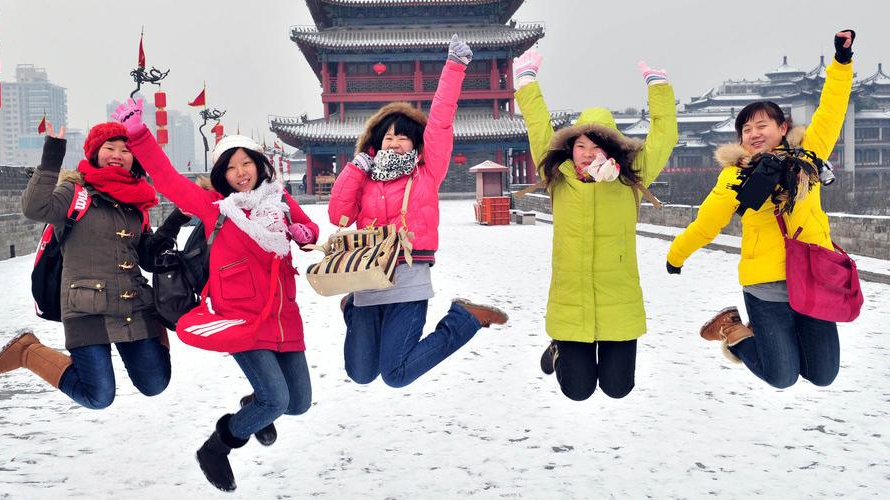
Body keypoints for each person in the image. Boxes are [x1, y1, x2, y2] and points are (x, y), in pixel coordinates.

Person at [116, 98, 318, 492]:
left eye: (247, 163)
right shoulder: (216, 208)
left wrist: (304, 233)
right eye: (231, 166)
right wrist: (139, 135)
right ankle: (217, 446)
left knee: (297, 403)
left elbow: (308, 229)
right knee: (275, 400)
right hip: (240, 317)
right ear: (222, 174)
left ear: (261, 166)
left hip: (282, 314)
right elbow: (169, 180)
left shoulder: (280, 201)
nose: (241, 173)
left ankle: (253, 407)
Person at [667, 30, 857, 389]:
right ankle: (735, 332)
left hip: (814, 277)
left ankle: (778, 342)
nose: (753, 133)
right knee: (782, 377)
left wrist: (841, 63)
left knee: (822, 375)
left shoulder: (809, 155)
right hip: (766, 285)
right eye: (745, 129)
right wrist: (677, 255)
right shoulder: (734, 175)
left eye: (762, 125)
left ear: (783, 128)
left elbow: (832, 110)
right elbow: (707, 223)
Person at [328, 35, 509, 390]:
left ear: (415, 143)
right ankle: (351, 307)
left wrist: (454, 67)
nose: (394, 144)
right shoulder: (362, 175)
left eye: (403, 138)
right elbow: (339, 215)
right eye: (387, 138)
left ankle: (464, 319)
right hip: (366, 277)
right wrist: (355, 168)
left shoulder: (425, 173)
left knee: (396, 374)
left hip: (409, 277)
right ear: (375, 142)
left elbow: (440, 122)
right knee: (361, 373)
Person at [513, 48, 678, 400]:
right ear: (570, 148)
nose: (588, 153)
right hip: (571, 300)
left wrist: (658, 87)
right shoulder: (558, 177)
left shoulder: (631, 178)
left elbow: (664, 139)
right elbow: (538, 128)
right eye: (581, 145)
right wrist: (527, 82)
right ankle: (559, 349)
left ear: (612, 150)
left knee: (619, 388)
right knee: (577, 390)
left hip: (618, 299)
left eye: (598, 146)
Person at [0, 121, 171, 410]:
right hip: (87, 308)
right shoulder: (76, 192)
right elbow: (35, 208)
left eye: (125, 150)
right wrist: (52, 155)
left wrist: (175, 222)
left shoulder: (138, 200)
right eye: (110, 148)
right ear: (95, 152)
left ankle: (152, 330)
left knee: (155, 383)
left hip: (134, 306)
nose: (117, 154)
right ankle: (27, 351)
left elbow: (145, 257)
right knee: (99, 396)